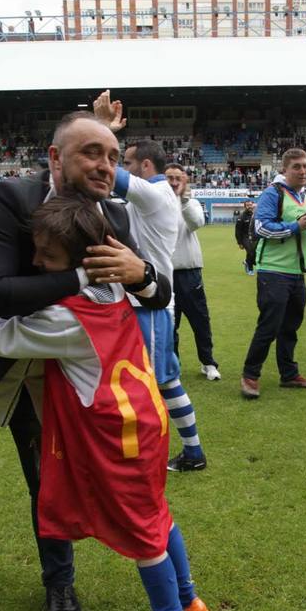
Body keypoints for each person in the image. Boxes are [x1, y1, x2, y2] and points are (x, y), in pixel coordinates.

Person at [0, 112, 157, 611]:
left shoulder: (116, 215)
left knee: (50, 485)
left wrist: (147, 276)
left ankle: (59, 586)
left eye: (114, 156)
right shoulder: (8, 199)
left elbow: (152, 294)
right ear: (54, 157)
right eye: (91, 153)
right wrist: (83, 274)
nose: (105, 166)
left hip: (49, 381)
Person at [0, 198, 207, 611]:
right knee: (158, 515)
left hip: (118, 437)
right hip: (147, 423)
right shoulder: (114, 288)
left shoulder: (66, 317)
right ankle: (189, 603)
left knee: (144, 537)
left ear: (81, 262)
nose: (38, 263)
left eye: (48, 256)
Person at [102, 115, 209, 475]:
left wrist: (105, 133)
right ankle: (191, 452)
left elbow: (103, 167)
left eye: (129, 163)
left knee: (151, 382)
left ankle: (152, 456)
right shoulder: (154, 196)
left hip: (149, 305)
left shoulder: (153, 193)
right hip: (147, 302)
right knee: (164, 379)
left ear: (145, 165)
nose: (125, 169)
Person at [240, 148, 306, 398]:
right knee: (269, 326)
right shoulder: (272, 193)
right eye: (297, 167)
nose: (302, 171)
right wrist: (296, 227)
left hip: (297, 273)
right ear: (284, 170)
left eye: (305, 167)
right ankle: (250, 375)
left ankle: (289, 374)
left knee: (290, 327)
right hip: (273, 271)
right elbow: (262, 228)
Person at [167, 163, 220, 382]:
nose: (173, 182)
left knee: (200, 320)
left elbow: (197, 222)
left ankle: (208, 363)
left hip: (189, 272)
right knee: (170, 323)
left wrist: (184, 199)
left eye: (178, 177)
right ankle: (173, 365)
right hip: (164, 274)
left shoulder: (193, 203)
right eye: (169, 177)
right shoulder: (155, 204)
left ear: (185, 180)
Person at [234, 198, 258, 274]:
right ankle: (250, 269)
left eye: (251, 205)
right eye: (248, 205)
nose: (250, 206)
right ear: (245, 206)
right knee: (251, 252)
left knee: (255, 252)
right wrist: (239, 243)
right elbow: (238, 231)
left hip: (254, 237)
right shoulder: (241, 217)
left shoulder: (255, 215)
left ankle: (247, 261)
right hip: (245, 237)